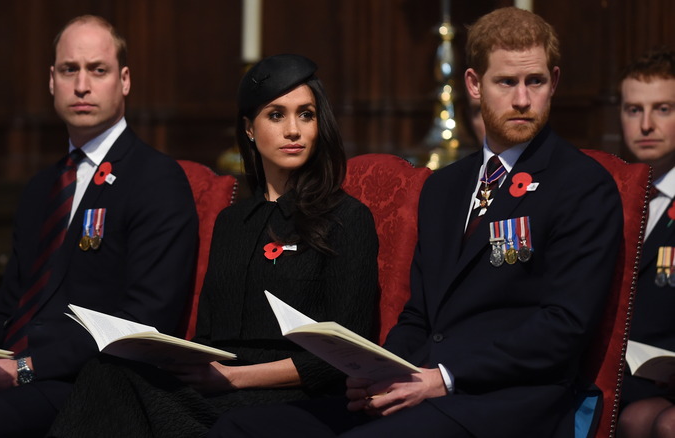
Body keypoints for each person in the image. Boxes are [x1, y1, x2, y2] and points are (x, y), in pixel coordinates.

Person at [209, 7, 623, 438]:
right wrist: (377, 371)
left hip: (509, 402)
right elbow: (420, 316)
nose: (522, 99)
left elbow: (563, 328)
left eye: (534, 81)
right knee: (242, 427)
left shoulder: (582, 185)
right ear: (473, 85)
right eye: (506, 82)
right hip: (422, 387)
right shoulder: (445, 186)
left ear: (553, 82)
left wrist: (442, 378)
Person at [0, 15, 199, 437]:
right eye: (68, 69)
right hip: (12, 368)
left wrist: (22, 369)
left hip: (87, 382)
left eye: (98, 70)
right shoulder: (42, 187)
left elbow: (144, 322)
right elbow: (8, 305)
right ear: (51, 80)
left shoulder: (155, 179)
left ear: (124, 80)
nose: (81, 85)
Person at [46, 54, 380, 437]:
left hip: (296, 397)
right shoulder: (231, 222)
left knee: (125, 397)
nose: (293, 130)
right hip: (218, 387)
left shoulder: (347, 218)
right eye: (276, 115)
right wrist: (181, 360)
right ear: (249, 129)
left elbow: (348, 353)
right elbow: (208, 337)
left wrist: (236, 378)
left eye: (306, 114)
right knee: (107, 371)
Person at [617, 46, 675, 438]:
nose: (646, 125)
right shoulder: (608, 194)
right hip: (615, 375)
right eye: (634, 110)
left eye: (663, 109)